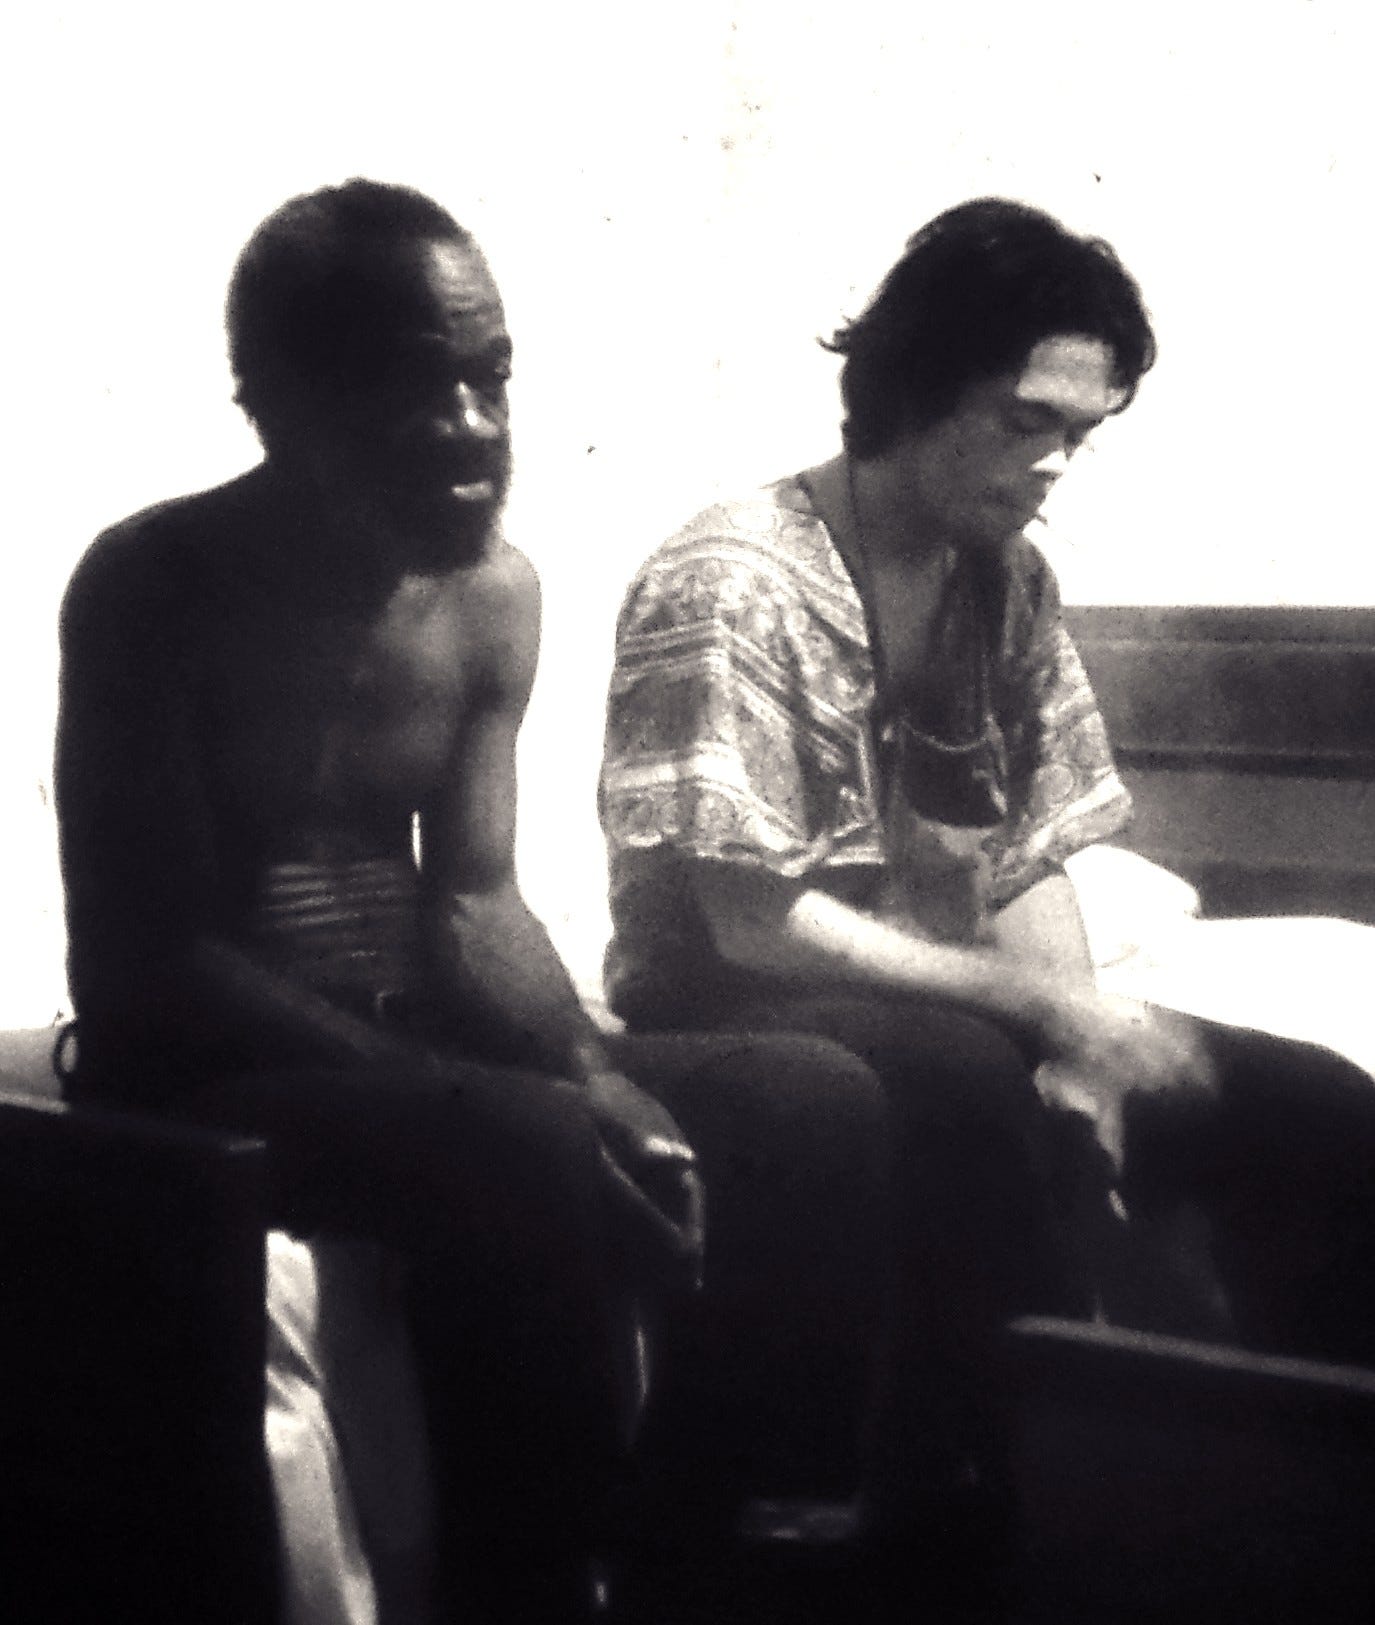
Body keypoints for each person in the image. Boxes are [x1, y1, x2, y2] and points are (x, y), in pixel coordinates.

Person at [54, 180, 889, 1623]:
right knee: (524, 1146)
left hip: (413, 1045)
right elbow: (150, 961)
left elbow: (477, 899)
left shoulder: (496, 594)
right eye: (411, 388)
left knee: (816, 1098)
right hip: (207, 1067)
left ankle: (715, 1552)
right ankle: (531, 1585)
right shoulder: (155, 585)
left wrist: (590, 1068)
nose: (470, 425)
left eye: (490, 378)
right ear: (278, 402)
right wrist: (510, 1095)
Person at [600, 197, 1375, 1580]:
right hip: (730, 1002)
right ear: (918, 382)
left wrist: (1089, 1044)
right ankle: (1008, 1512)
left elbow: (1030, 852)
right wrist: (1042, 1016)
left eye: (1083, 431)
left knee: (1319, 1098)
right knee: (965, 1078)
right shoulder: (735, 574)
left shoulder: (1006, 584)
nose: (1057, 462)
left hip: (939, 1002)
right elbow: (751, 920)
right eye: (1030, 421)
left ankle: (1315, 1498)